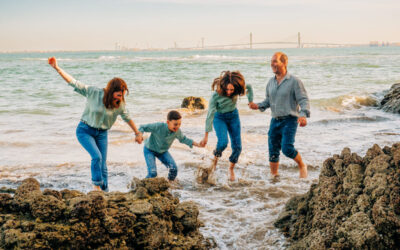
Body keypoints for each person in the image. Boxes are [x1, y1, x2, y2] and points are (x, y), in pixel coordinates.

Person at [48, 57, 143, 192]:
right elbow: (74, 82)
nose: (120, 98)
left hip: (102, 134)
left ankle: (105, 191)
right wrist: (57, 68)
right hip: (85, 130)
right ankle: (96, 186)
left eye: (122, 95)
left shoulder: (119, 104)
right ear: (110, 91)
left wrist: (137, 133)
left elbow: (127, 118)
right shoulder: (94, 92)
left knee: (103, 165)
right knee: (96, 157)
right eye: (118, 95)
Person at [249, 52, 310, 178]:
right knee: (273, 150)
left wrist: (303, 115)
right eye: (271, 61)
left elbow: (303, 100)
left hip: (290, 120)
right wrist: (258, 105)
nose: (272, 64)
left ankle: (302, 165)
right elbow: (268, 101)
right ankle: (274, 177)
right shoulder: (270, 83)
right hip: (274, 120)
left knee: (287, 149)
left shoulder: (294, 81)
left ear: (284, 63)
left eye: (275, 61)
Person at [200, 71, 253, 181]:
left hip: (234, 117)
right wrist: (206, 135)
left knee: (238, 147)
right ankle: (215, 159)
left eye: (231, 90)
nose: (229, 92)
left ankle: (231, 168)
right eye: (227, 89)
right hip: (219, 118)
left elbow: (249, 87)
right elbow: (210, 115)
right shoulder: (216, 95)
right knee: (223, 143)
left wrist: (250, 101)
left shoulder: (238, 89)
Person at [139, 110, 203, 182]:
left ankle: (169, 184)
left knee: (174, 169)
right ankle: (142, 185)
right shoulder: (158, 126)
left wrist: (198, 144)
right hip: (149, 150)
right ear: (168, 122)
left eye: (179, 124)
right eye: (175, 124)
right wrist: (140, 135)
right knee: (153, 173)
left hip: (162, 152)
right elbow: (142, 127)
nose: (178, 126)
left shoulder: (177, 131)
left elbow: (184, 139)